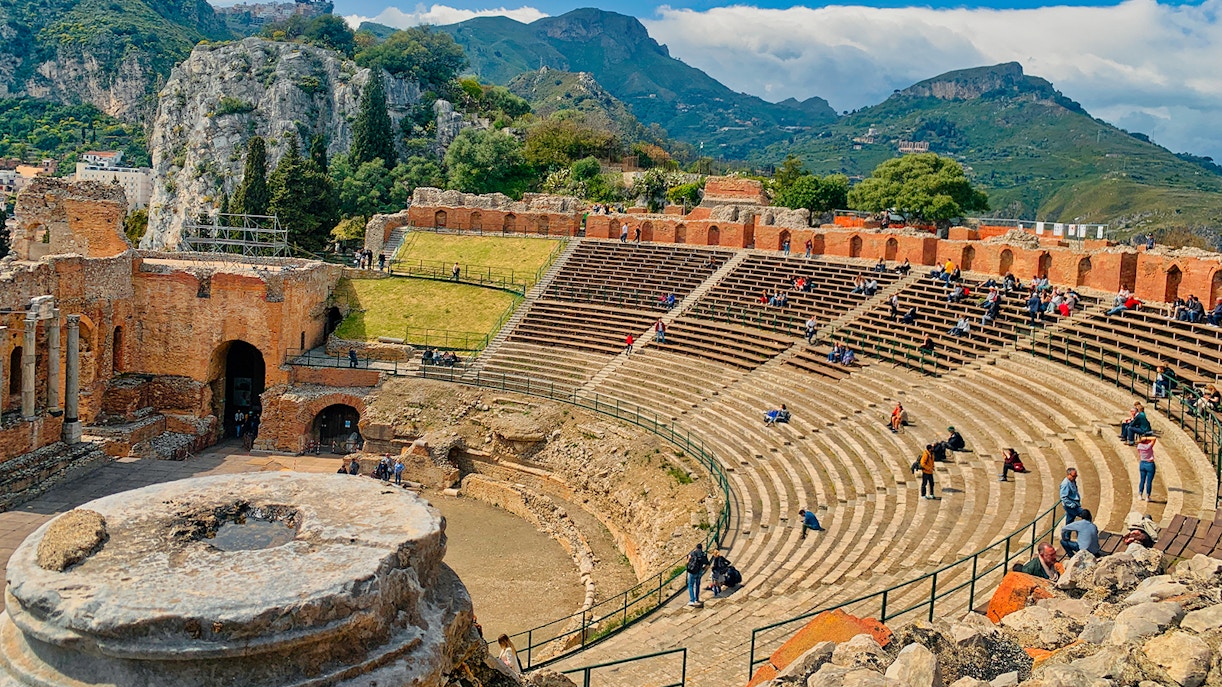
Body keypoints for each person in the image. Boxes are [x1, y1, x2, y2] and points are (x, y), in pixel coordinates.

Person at [1136, 436, 1157, 501]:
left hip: (1142, 463)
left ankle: (1140, 494)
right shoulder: (1148, 446)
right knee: (1149, 481)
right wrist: (1147, 438)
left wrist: (1143, 439)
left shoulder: (1139, 446)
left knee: (1142, 480)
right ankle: (1147, 496)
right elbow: (1154, 439)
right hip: (1149, 464)